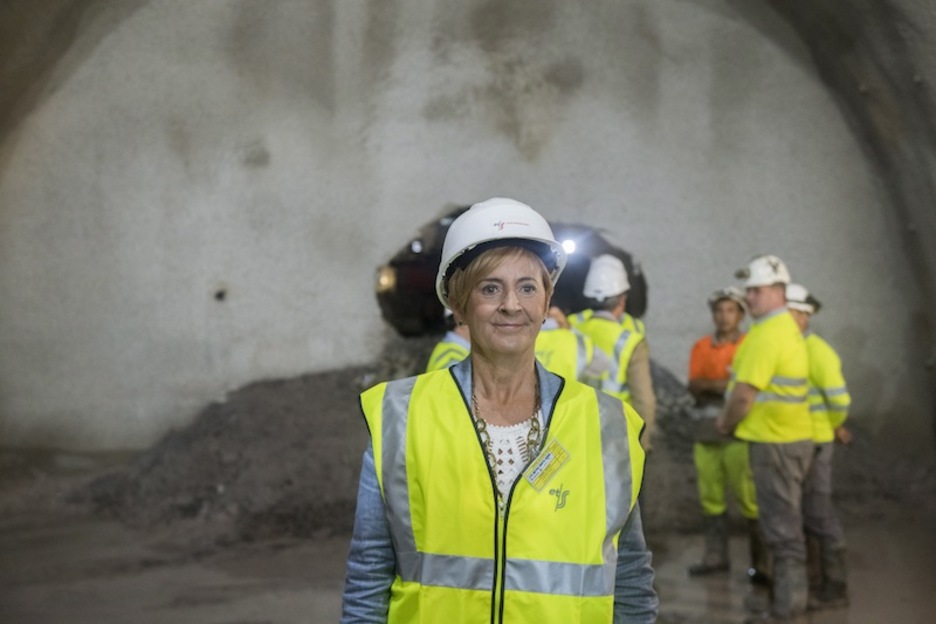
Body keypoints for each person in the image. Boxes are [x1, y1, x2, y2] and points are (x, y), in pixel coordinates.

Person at [341, 197, 658, 623]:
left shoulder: (604, 425)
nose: (512, 304)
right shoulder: (402, 415)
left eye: (528, 287)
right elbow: (368, 576)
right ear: (459, 304)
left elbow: (631, 582)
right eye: (490, 288)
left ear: (546, 303)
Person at [715, 254, 812, 622]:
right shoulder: (785, 327)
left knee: (782, 530)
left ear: (776, 292)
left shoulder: (766, 334)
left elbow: (743, 395)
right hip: (791, 439)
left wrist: (725, 423)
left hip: (775, 444)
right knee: (787, 526)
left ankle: (786, 609)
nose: (748, 299)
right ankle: (788, 600)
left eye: (755, 291)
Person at [686, 287, 768, 585]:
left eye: (730, 310)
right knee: (710, 498)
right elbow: (695, 385)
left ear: (741, 314)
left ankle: (762, 564)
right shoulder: (701, 347)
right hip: (706, 434)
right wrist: (727, 385)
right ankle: (715, 557)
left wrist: (717, 386)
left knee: (750, 499)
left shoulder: (749, 346)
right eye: (719, 311)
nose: (724, 316)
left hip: (739, 433)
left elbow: (744, 388)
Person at [786, 283, 852, 611]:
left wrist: (831, 424)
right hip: (799, 442)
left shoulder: (819, 351)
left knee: (819, 515)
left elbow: (839, 401)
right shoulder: (793, 348)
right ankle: (816, 581)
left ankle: (836, 587)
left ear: (802, 315)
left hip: (816, 443)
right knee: (804, 515)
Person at [572, 254, 657, 451]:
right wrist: (641, 445)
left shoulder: (571, 327)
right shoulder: (631, 337)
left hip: (574, 431)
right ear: (622, 299)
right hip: (616, 437)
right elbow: (644, 400)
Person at [535, 305, 608, 383]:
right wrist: (570, 328)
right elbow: (602, 364)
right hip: (567, 393)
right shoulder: (575, 341)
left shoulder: (522, 338)